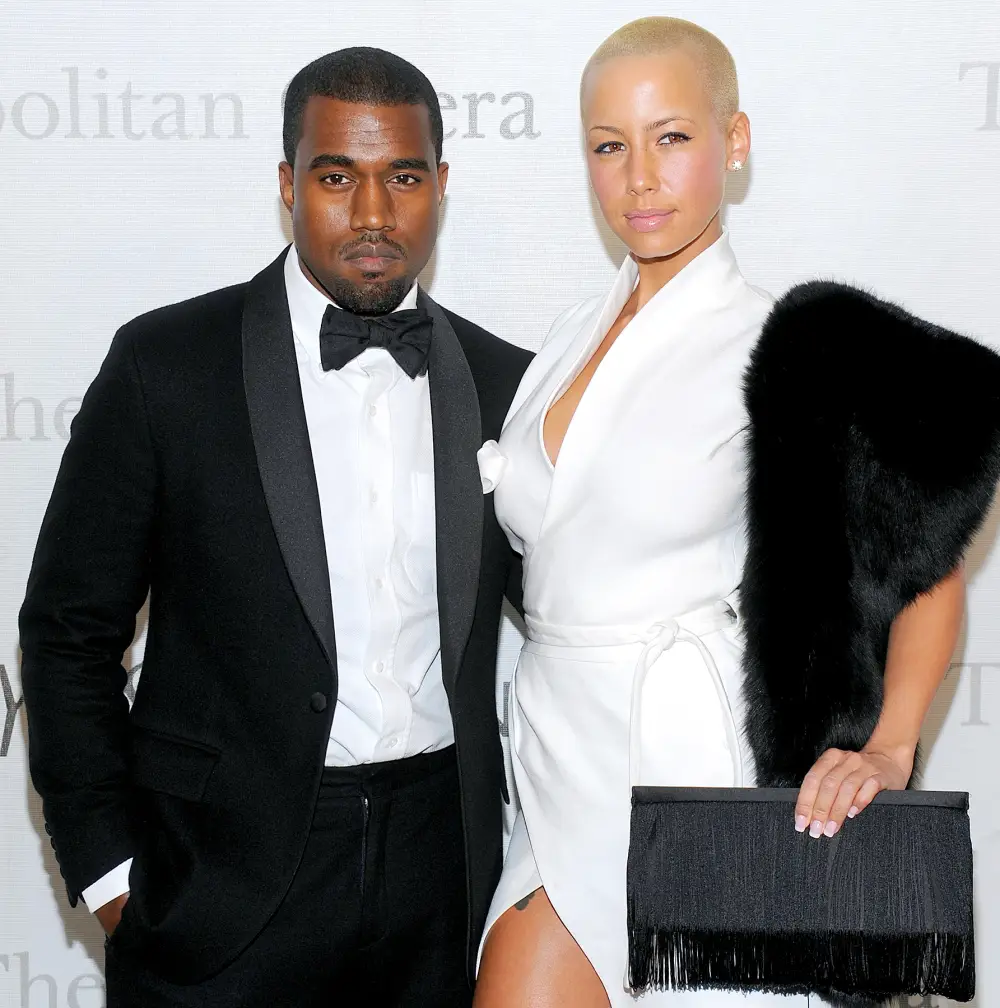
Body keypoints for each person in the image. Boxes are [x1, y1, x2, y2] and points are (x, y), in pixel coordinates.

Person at [472, 18, 972, 1007]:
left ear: (732, 143)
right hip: (553, 762)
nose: (638, 178)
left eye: (671, 138)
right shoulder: (568, 339)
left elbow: (930, 570)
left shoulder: (777, 348)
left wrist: (890, 742)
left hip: (690, 778)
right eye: (609, 147)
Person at [19, 46, 531, 1007]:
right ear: (288, 184)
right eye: (338, 177)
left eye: (403, 178)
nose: (374, 216)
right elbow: (65, 632)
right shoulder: (165, 367)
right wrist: (114, 879)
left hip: (439, 886)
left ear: (441, 187)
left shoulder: (508, 383)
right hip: (217, 888)